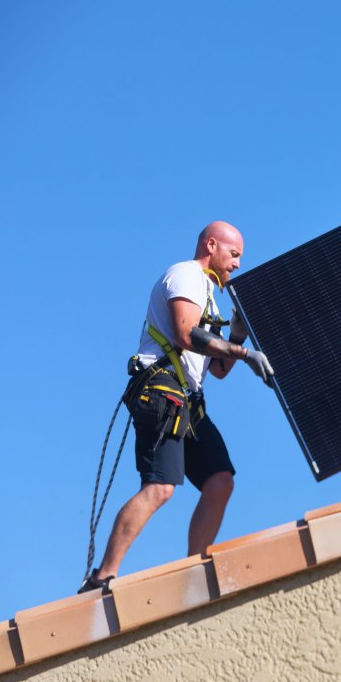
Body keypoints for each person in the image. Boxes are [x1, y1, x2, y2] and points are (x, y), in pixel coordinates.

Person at [79, 221, 274, 592]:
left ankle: (194, 569)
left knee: (220, 482)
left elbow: (216, 370)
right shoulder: (185, 275)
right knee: (160, 487)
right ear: (211, 245)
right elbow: (186, 334)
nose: (237, 265)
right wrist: (247, 354)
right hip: (161, 391)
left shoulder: (208, 295)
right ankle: (102, 576)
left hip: (188, 400)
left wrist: (236, 335)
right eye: (234, 255)